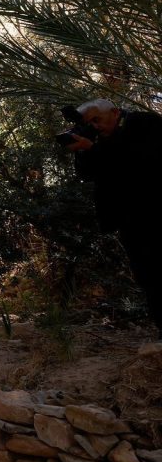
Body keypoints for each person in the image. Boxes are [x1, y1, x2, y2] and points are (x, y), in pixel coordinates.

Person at [69, 98, 162, 335]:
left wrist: (94, 149)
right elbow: (87, 174)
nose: (95, 126)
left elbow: (143, 162)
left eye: (97, 120)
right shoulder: (97, 138)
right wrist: (82, 151)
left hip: (155, 213)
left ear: (115, 111)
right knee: (147, 276)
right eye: (90, 123)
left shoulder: (144, 123)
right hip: (129, 220)